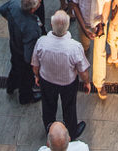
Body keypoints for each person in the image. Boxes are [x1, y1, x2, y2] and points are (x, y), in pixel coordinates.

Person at [31, 10, 91, 141]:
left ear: (52, 25)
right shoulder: (74, 47)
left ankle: (50, 129)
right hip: (68, 84)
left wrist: (36, 76)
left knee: (48, 106)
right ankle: (72, 131)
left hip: (46, 80)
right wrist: (86, 82)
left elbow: (35, 65)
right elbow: (82, 70)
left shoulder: (42, 42)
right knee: (69, 107)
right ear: (67, 26)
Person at [67, 0, 114, 99]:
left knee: (100, 52)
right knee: (84, 46)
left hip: (99, 22)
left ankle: (100, 83)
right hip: (85, 22)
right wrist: (83, 27)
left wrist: (102, 24)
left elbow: (107, 4)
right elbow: (74, 5)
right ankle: (85, 53)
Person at [0, 0, 45, 104]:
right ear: (33, 9)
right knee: (26, 78)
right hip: (22, 54)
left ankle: (11, 86)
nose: (41, 2)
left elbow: (2, 10)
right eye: (39, 1)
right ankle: (26, 97)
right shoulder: (31, 28)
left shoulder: (13, 5)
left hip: (14, 45)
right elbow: (28, 56)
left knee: (14, 67)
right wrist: (35, 71)